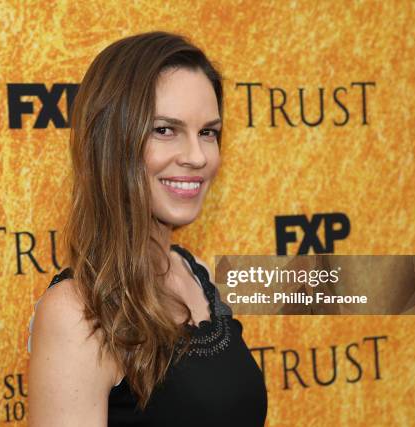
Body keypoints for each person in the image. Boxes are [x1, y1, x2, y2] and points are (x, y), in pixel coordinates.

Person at [27, 31, 268, 426]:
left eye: (208, 132)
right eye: (165, 130)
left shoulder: (198, 275)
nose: (197, 156)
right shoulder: (77, 314)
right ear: (111, 142)